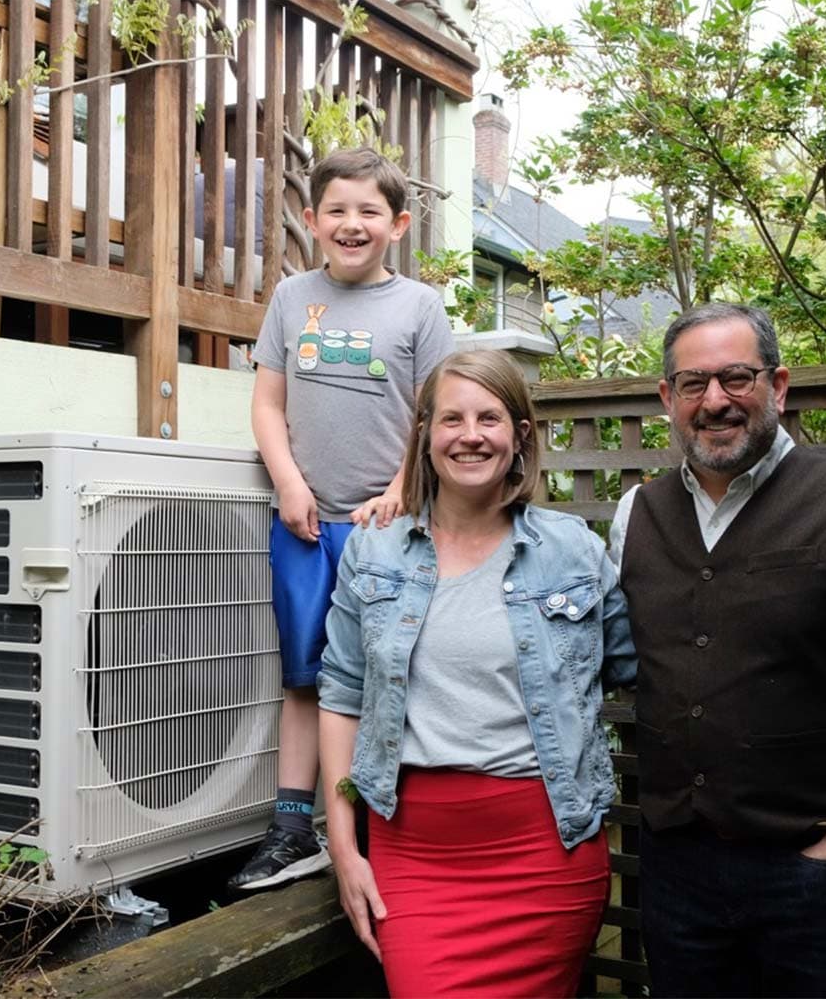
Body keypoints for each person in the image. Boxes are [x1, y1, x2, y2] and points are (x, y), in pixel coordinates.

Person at [608, 302, 826, 997]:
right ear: (666, 399)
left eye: (737, 377)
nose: (715, 401)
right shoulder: (635, 514)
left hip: (815, 876)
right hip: (678, 877)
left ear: (780, 385)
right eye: (692, 384)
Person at [317, 350, 638, 996]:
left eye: (489, 417)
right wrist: (345, 850)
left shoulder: (571, 548)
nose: (470, 435)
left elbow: (632, 664)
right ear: (425, 435)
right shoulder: (372, 551)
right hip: (414, 853)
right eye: (451, 418)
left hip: (546, 853)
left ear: (519, 435)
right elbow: (341, 694)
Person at [230, 148, 454, 891]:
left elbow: (432, 417)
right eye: (337, 211)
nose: (351, 224)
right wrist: (288, 482)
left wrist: (400, 489)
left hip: (387, 529)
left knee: (388, 675)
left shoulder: (420, 308)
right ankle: (295, 829)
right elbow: (267, 402)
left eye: (368, 212)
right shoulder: (293, 299)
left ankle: (372, 828)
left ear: (398, 224)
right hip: (305, 524)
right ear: (311, 219)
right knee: (304, 679)